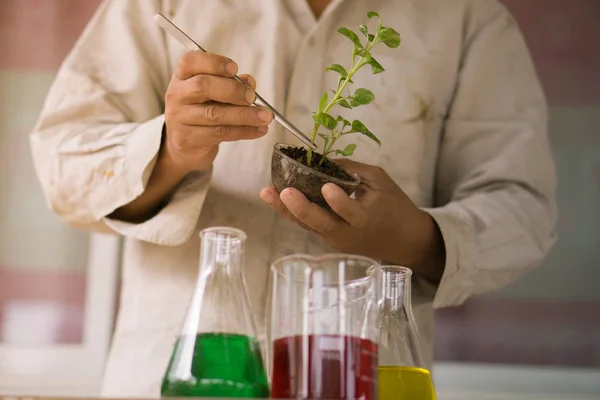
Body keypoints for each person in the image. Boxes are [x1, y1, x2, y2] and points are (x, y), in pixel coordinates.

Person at [29, 0, 557, 397]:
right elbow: (62, 163)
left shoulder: (464, 16)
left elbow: (524, 210)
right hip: (183, 376)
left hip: (365, 378)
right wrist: (171, 149)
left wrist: (412, 237)